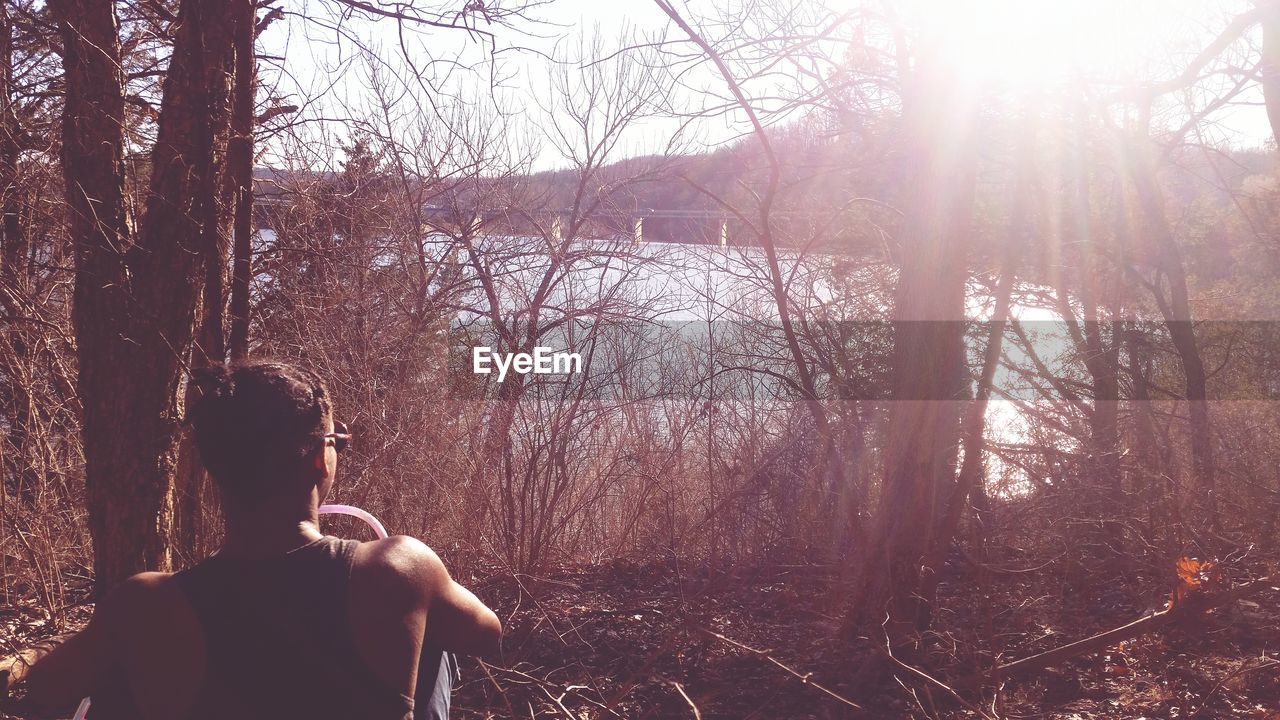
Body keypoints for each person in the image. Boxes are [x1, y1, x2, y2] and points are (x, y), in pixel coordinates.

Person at [7, 360, 500, 719]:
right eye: (336, 441)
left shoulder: (145, 605)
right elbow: (486, 633)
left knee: (116, 679)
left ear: (214, 468)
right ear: (316, 459)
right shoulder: (399, 569)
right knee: (434, 633)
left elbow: (43, 690)